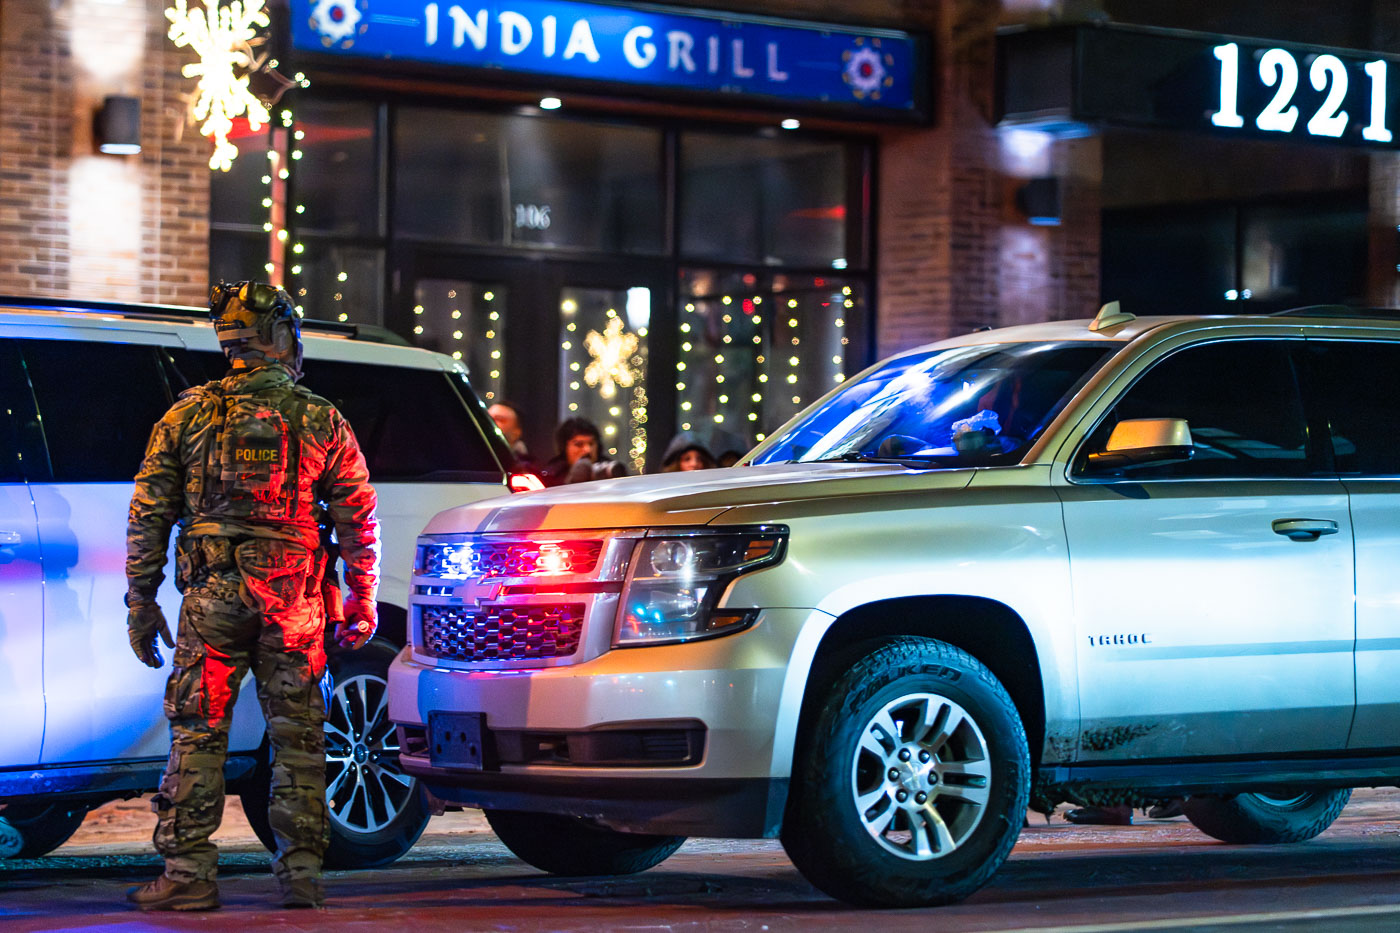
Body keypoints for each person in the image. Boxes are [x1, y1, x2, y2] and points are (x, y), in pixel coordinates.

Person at [124, 281, 380, 912]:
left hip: (211, 597)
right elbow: (357, 516)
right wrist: (361, 597)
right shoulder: (319, 417)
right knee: (298, 735)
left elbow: (149, 512)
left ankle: (187, 875)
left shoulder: (186, 416)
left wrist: (141, 599)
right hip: (293, 599)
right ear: (283, 338)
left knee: (198, 731)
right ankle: (300, 876)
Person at [539, 416, 628, 486]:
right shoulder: (549, 476)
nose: (587, 450)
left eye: (591, 444)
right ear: (564, 447)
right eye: (579, 444)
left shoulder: (611, 472)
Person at [487, 400, 532, 465]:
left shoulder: (524, 469)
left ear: (516, 433)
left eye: (499, 419)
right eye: (488, 418)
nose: (490, 422)